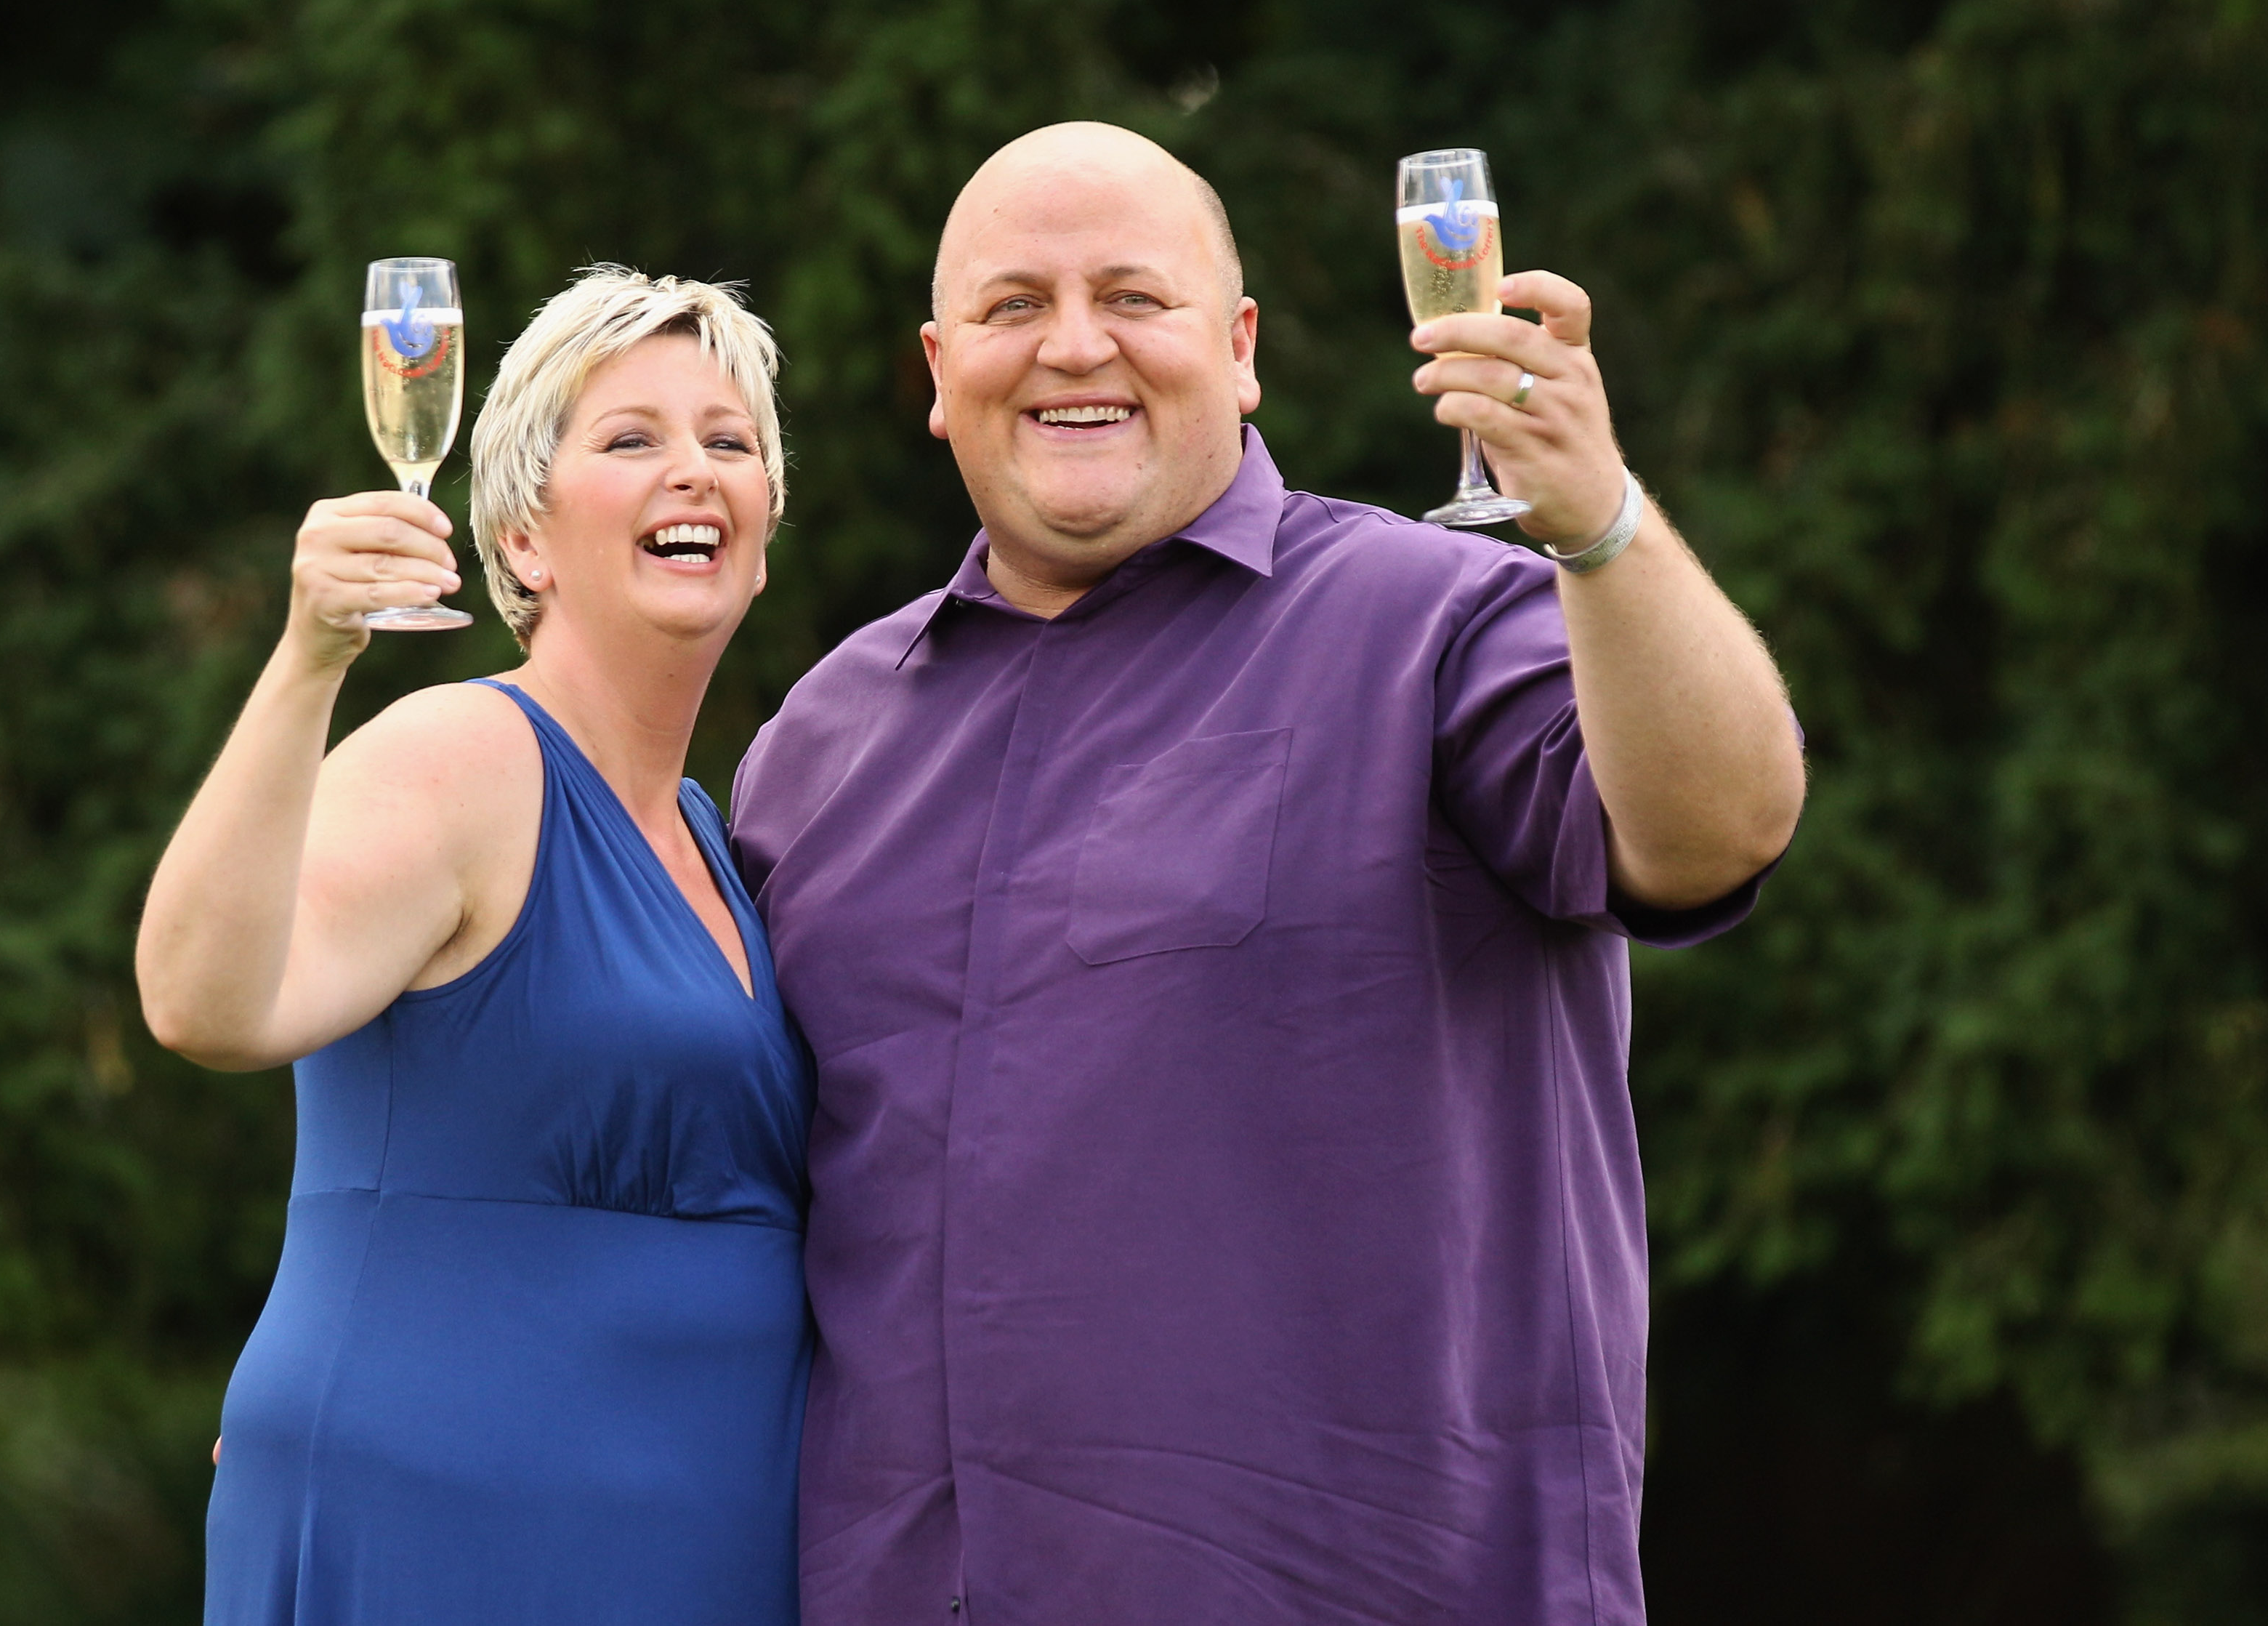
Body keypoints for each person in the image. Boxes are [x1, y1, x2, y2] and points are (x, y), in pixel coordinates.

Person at [728, 123, 1807, 1624]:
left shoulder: (1434, 624)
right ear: (936, 367)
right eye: (1013, 306)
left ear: (1239, 350)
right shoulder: (820, 744)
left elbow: (1716, 830)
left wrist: (1606, 530)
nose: (1074, 347)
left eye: (1133, 297)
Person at [135, 267, 810, 1626]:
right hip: (457, 1527)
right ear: (521, 540)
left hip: (701, 1540)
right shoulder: (470, 759)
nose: (694, 470)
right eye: (632, 440)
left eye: (728, 442)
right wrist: (309, 657)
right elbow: (208, 1000)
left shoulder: (713, 837)